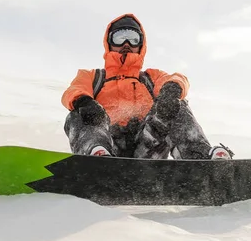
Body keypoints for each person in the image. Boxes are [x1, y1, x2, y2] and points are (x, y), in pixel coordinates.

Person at [61, 13, 233, 160]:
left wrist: (171, 90)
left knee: (177, 105)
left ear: (141, 45)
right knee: (78, 113)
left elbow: (178, 78)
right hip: (108, 144)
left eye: (133, 39)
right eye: (120, 38)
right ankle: (95, 155)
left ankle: (199, 157)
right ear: (109, 42)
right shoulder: (93, 77)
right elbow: (74, 91)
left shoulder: (151, 78)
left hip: (148, 145)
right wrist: (85, 102)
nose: (126, 44)